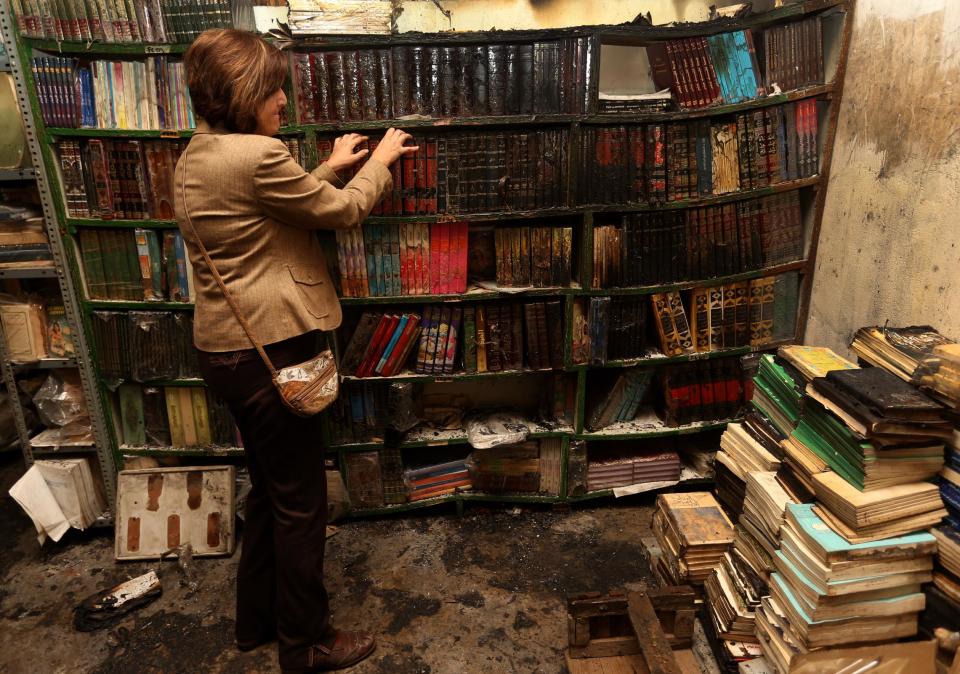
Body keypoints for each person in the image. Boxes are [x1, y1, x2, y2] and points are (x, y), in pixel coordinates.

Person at [175, 28, 417, 673]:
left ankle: (255, 622)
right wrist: (378, 163)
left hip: (226, 350)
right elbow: (337, 214)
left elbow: (269, 213)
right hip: (273, 351)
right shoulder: (256, 154)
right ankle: (306, 643)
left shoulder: (201, 152)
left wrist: (329, 166)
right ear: (244, 92)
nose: (283, 99)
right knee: (301, 504)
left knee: (268, 494)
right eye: (273, 88)